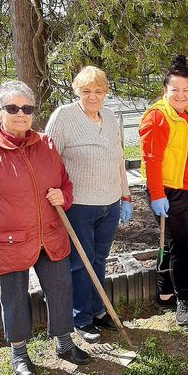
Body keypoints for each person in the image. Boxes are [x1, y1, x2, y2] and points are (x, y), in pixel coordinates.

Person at [0, 81, 90, 375]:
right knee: (14, 296)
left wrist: (64, 196)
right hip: (7, 242)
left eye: (27, 108)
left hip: (50, 235)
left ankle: (64, 342)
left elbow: (64, 182)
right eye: (12, 108)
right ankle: (19, 352)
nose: (20, 114)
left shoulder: (46, 144)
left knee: (60, 289)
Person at [45, 66, 132, 343]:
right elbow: (48, 160)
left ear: (105, 93)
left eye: (98, 91)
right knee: (80, 263)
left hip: (110, 203)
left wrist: (125, 194)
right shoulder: (64, 117)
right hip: (79, 206)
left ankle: (98, 309)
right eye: (86, 91)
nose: (92, 97)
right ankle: (80, 318)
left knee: (99, 259)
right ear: (76, 91)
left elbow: (119, 159)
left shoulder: (109, 116)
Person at [139, 55, 188, 326]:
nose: (181, 95)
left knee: (173, 242)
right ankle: (184, 299)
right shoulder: (158, 116)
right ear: (165, 91)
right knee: (184, 245)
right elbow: (151, 159)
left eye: (186, 90)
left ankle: (165, 293)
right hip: (169, 192)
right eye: (175, 90)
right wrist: (157, 194)